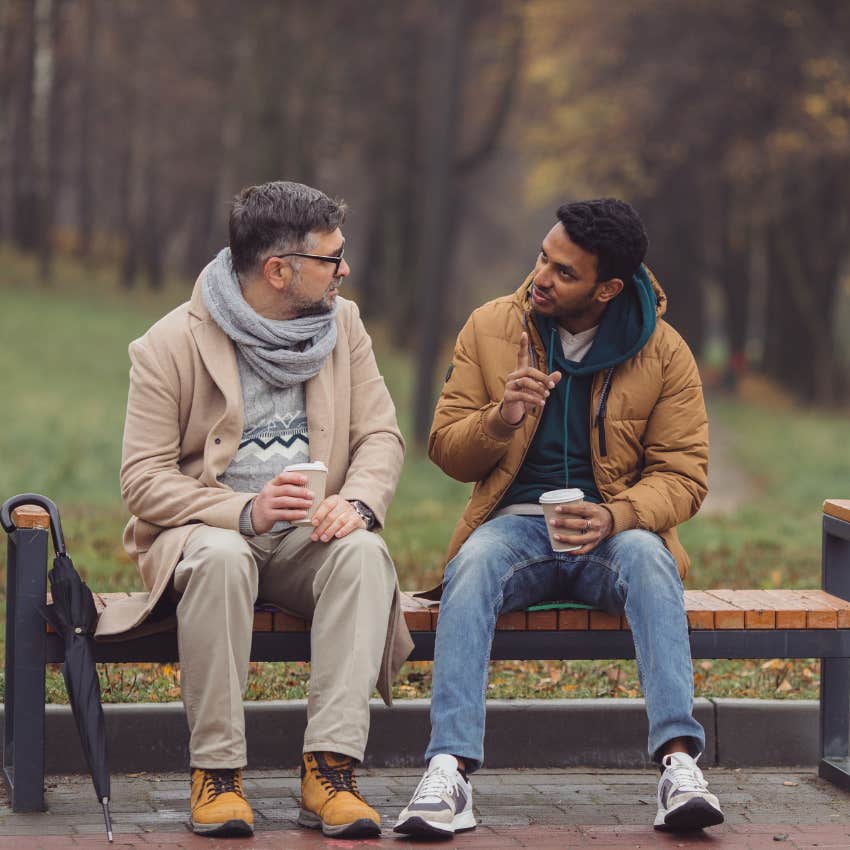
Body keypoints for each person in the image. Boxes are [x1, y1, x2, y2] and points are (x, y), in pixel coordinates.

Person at [395, 198, 722, 837]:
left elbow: (685, 475)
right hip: (514, 527)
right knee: (474, 563)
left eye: (564, 272)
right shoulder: (492, 327)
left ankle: (679, 768)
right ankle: (448, 771)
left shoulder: (664, 351)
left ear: (608, 289)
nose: (541, 276)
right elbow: (444, 449)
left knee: (652, 560)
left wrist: (615, 515)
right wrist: (501, 418)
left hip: (613, 533)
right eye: (543, 257)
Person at [114, 180, 412, 839]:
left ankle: (329, 771)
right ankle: (216, 774)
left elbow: (381, 437)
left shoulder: (346, 326)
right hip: (210, 535)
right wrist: (245, 510)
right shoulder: (168, 345)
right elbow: (142, 481)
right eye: (333, 259)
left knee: (363, 555)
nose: (346, 270)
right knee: (221, 560)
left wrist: (357, 502)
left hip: (310, 538)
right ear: (281, 270)